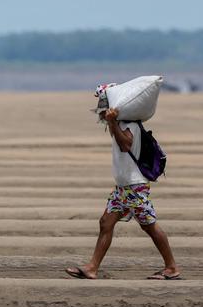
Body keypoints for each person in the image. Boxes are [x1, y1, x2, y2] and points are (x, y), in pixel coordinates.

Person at [66, 83, 181, 280]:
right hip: (123, 188)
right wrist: (111, 122)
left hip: (134, 187)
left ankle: (171, 267)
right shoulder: (120, 123)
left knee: (149, 226)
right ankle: (92, 267)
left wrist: (112, 123)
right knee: (105, 223)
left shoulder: (130, 125)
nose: (101, 112)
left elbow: (126, 145)